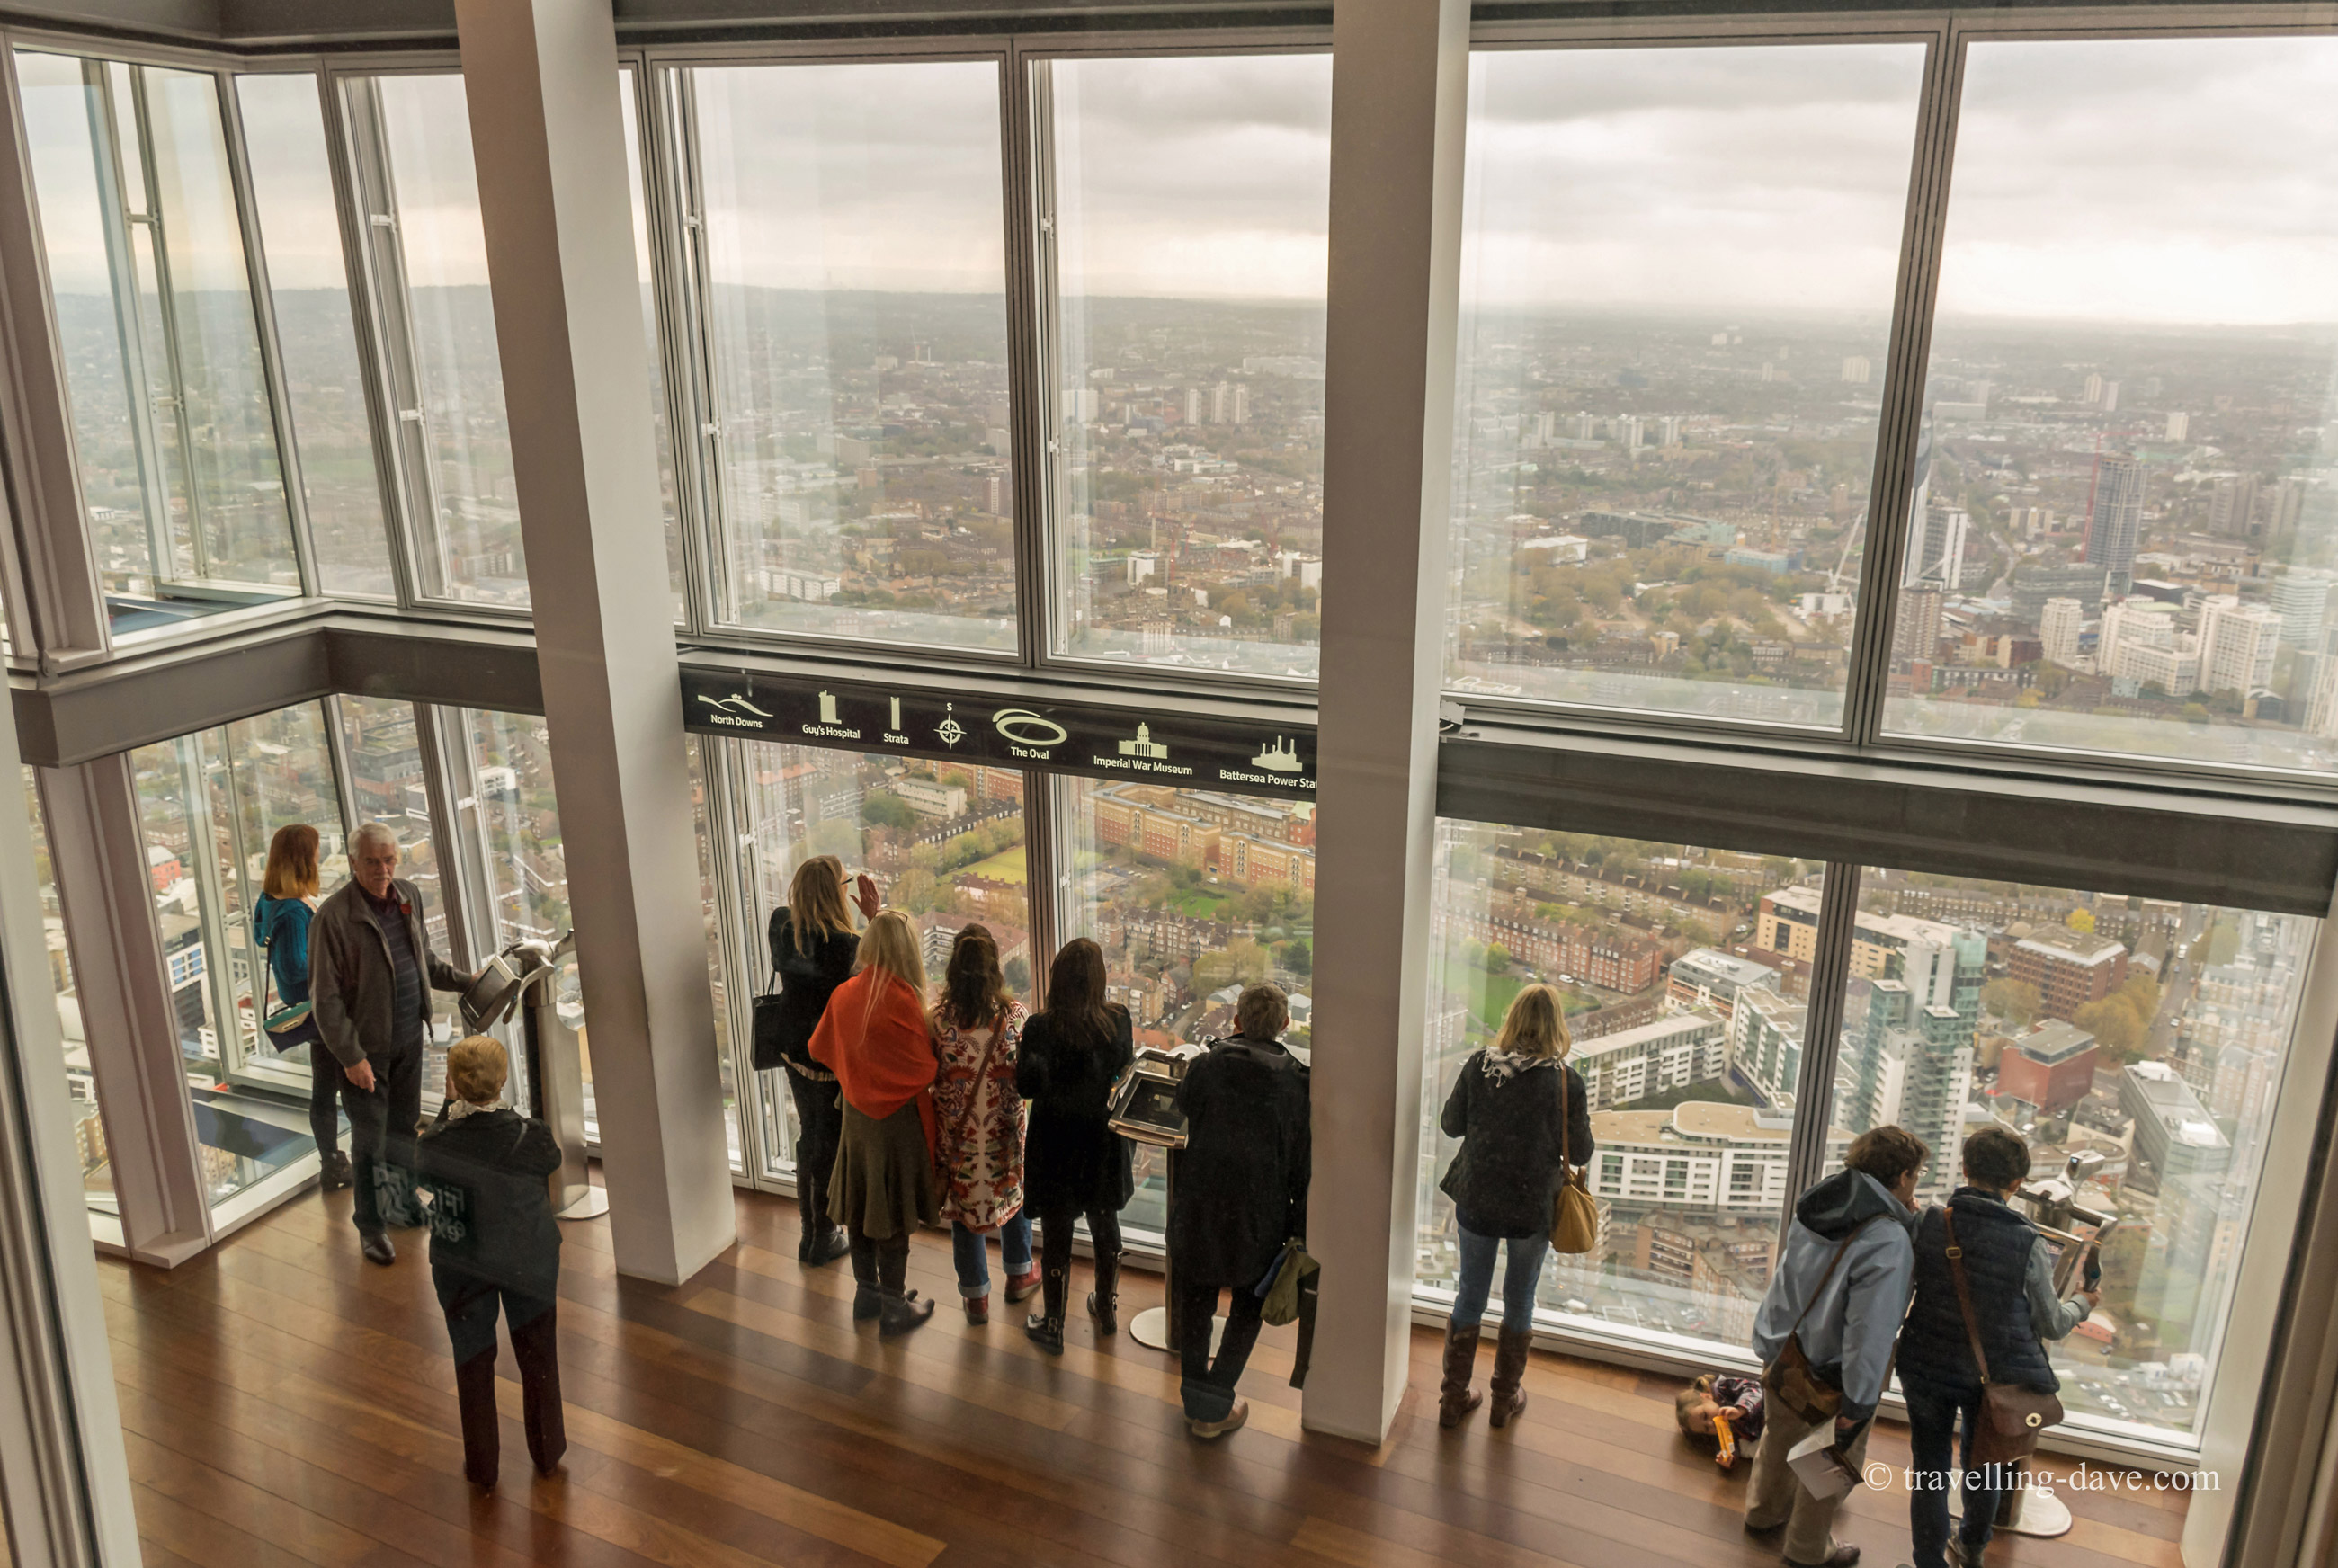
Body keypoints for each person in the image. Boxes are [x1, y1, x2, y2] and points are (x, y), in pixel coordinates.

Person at [1896, 1125, 2097, 1568]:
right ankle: (1971, 1548)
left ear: (1965, 1169)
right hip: (1992, 1374)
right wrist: (2084, 1303)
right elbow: (2052, 1322)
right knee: (1983, 1461)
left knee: (1928, 1469)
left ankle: (1928, 1562)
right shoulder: (2028, 1241)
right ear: (2016, 1184)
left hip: (1924, 1363)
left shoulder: (1928, 1221)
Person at [1746, 1126, 1929, 1568]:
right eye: (1917, 1175)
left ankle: (1763, 1513)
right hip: (1831, 1372)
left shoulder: (1819, 1199)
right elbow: (1871, 1329)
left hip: (1784, 1352)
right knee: (1826, 1463)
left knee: (1780, 1436)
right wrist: (1860, 1400)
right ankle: (1808, 1550)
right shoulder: (1885, 1240)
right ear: (1903, 1177)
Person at [309, 822, 476, 1267]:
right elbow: (324, 1000)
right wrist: (351, 1057)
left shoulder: (407, 895)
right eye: (372, 861)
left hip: (407, 1038)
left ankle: (402, 1204)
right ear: (352, 862)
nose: (383, 869)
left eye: (388, 860)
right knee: (369, 1141)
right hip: (366, 1052)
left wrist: (467, 982)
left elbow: (425, 961)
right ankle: (370, 1225)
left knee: (403, 1129)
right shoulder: (332, 917)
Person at [1433, 983, 1593, 1429]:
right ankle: (1504, 1401)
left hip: (1477, 1199)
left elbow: (1450, 1125)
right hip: (1531, 1210)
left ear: (1513, 1019)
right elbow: (1579, 1152)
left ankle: (1453, 1399)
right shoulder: (1565, 1081)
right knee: (1519, 1299)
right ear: (1555, 1027)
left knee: (1470, 1295)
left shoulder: (1481, 1065)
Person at [415, 1035, 565, 1489]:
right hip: (529, 1258)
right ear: (503, 1081)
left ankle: (482, 1467)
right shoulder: (531, 1134)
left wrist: (446, 1108)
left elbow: (422, 1171)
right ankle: (546, 1452)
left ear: (455, 1084)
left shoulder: (439, 1141)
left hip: (463, 1263)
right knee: (538, 1354)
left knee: (474, 1358)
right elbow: (551, 1161)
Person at [1166, 982, 1309, 1440]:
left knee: (1196, 1301)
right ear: (1285, 1026)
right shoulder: (1296, 1083)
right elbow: (1300, 1159)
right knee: (1248, 1305)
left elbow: (1185, 1107)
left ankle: (1195, 1401)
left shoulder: (1206, 1067)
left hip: (1201, 1198)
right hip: (1260, 1210)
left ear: (1237, 1021)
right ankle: (1215, 1402)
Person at [809, 909, 941, 1337]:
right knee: (894, 1215)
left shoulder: (845, 994)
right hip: (896, 1124)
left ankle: (866, 1296)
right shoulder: (905, 1001)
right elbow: (926, 1069)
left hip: (855, 1120)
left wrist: (857, 1076)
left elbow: (820, 1047)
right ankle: (894, 1307)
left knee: (860, 1208)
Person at [1015, 938, 1135, 1355]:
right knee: (1106, 1226)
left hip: (1055, 1143)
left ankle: (1053, 1324)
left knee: (1058, 1233)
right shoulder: (1118, 1020)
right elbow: (1124, 1074)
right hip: (1102, 1140)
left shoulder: (1039, 1028)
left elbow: (1025, 1086)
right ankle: (1106, 1309)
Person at [763, 856, 880, 1266]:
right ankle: (824, 1235)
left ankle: (812, 1235)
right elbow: (873, 979)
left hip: (793, 1047)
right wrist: (874, 916)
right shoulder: (846, 946)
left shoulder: (781, 925)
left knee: (810, 1132)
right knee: (827, 1140)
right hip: (829, 1055)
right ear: (837, 893)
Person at [930, 924, 1032, 1323]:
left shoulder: (937, 1022)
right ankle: (1019, 1275)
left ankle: (976, 1299)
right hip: (1004, 1135)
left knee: (963, 1211)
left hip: (957, 1138)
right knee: (1013, 1198)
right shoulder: (1016, 1018)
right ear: (995, 968)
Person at [253, 824, 346, 1193]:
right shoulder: (292, 911)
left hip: (312, 1006)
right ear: (301, 858)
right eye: (315, 851)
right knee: (335, 1086)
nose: (319, 857)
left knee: (325, 1086)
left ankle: (332, 1162)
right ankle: (337, 1163)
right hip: (321, 1008)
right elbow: (294, 967)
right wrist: (341, 967)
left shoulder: (269, 899)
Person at [1677, 1372, 1768, 1459]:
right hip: (1768, 1428)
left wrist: (1740, 1410)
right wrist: (1727, 1458)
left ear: (1707, 1397)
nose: (1711, 1423)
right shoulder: (1720, 1431)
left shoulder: (1722, 1388)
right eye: (1706, 1429)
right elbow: (1728, 1446)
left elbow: (1754, 1388)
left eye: (1705, 1415)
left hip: (1771, 1402)